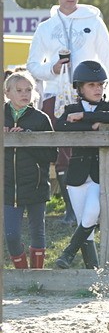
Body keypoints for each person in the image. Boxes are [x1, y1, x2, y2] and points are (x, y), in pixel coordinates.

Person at [25, 0, 109, 228]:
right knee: (62, 151)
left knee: (91, 148)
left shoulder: (94, 22)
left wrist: (103, 97)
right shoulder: (46, 27)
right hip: (56, 94)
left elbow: (107, 60)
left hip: (88, 96)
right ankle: (71, 210)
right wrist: (52, 68)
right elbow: (33, 65)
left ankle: (95, 209)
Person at [53, 61, 109, 269]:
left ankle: (67, 253)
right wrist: (91, 124)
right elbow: (61, 126)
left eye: (100, 84)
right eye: (92, 85)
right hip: (76, 175)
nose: (98, 89)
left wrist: (84, 116)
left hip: (101, 173)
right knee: (87, 227)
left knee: (92, 213)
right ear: (80, 88)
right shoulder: (70, 108)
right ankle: (92, 272)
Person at [4, 70, 56, 269]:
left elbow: (52, 155)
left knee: (38, 231)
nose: (24, 94)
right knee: (11, 235)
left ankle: (37, 275)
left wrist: (28, 138)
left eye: (28, 89)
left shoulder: (41, 119)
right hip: (8, 188)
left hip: (35, 184)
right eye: (19, 90)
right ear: (7, 92)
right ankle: (22, 274)